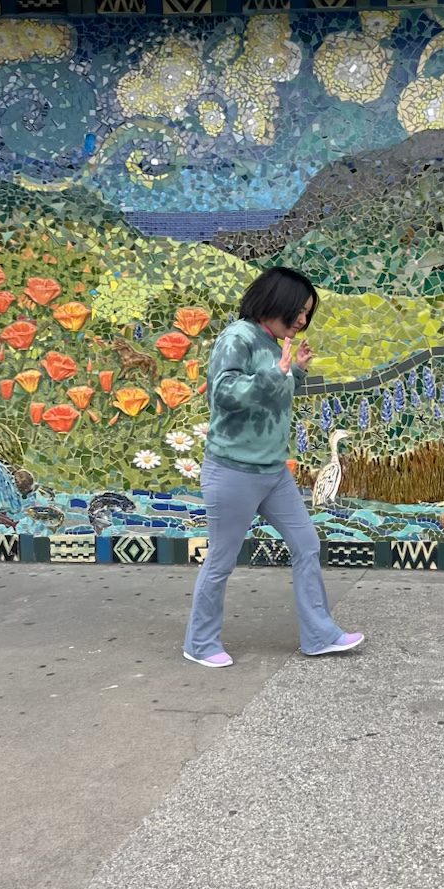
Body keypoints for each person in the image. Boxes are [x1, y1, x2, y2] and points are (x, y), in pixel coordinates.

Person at [183, 266, 364, 667]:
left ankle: (319, 635)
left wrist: (294, 371)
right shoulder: (238, 338)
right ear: (274, 303)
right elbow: (225, 394)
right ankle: (199, 643)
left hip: (273, 473)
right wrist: (275, 373)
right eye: (298, 311)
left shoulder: (273, 341)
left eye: (306, 314)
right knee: (222, 560)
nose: (302, 321)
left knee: (307, 545)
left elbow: (273, 393)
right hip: (233, 471)